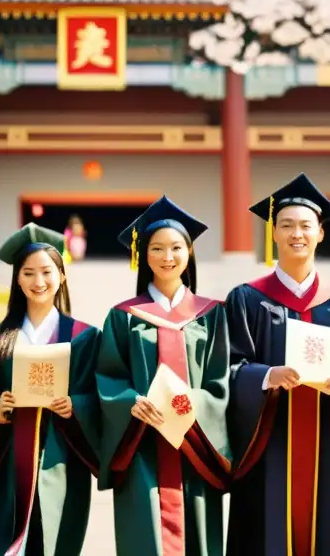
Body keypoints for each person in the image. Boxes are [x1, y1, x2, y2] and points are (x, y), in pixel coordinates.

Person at [225, 172, 330, 556]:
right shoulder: (246, 299)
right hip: (266, 444)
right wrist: (266, 376)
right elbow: (226, 368)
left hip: (324, 439)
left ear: (321, 233)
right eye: (286, 225)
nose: (296, 234)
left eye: (306, 225)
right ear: (273, 233)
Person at [96, 195, 231, 556]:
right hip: (141, 445)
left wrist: (193, 404)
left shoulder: (212, 315)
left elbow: (221, 382)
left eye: (175, 247)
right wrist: (130, 402)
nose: (167, 257)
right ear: (143, 255)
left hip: (196, 446)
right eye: (156, 248)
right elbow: (107, 375)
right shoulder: (123, 316)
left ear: (189, 252)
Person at [0, 223, 101, 556]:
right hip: (9, 462)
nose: (38, 282)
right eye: (28, 273)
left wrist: (75, 406)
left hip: (62, 460)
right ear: (17, 279)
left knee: (55, 542)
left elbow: (97, 399)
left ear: (62, 275)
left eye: (46, 272)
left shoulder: (85, 336)